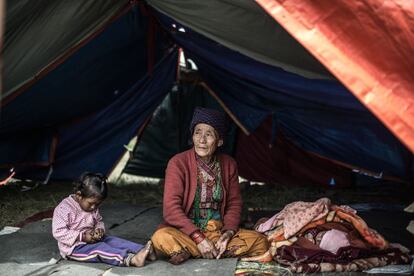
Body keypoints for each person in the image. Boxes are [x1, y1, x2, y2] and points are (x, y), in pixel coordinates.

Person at [151, 107, 269, 265]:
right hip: (186, 232)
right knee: (161, 236)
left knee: (260, 241)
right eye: (198, 132)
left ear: (219, 141)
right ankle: (204, 250)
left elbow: (234, 203)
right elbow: (171, 209)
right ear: (192, 136)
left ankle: (190, 251)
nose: (202, 140)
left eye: (209, 134)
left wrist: (227, 234)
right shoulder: (177, 163)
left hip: (217, 232)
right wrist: (199, 238)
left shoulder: (228, 164)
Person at [52, 172, 156, 267]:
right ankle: (130, 259)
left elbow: (98, 221)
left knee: (113, 241)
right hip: (75, 248)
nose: (93, 207)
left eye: (97, 204)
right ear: (79, 195)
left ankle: (144, 251)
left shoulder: (92, 207)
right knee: (100, 249)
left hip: (93, 239)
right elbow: (58, 232)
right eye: (91, 203)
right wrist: (82, 237)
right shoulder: (64, 209)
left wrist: (99, 229)